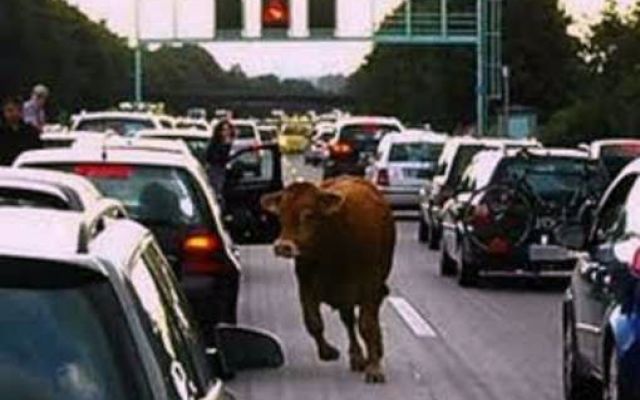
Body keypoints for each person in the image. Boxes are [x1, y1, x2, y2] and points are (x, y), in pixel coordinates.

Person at [0, 96, 42, 166]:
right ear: (4, 112)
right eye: (10, 110)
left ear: (22, 112)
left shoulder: (31, 132)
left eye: (18, 110)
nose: (14, 114)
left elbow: (37, 155)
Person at [206, 119, 236, 207]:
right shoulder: (215, 144)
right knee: (216, 193)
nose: (225, 132)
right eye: (223, 130)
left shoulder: (233, 144)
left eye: (227, 130)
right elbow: (213, 158)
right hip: (216, 171)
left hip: (228, 175)